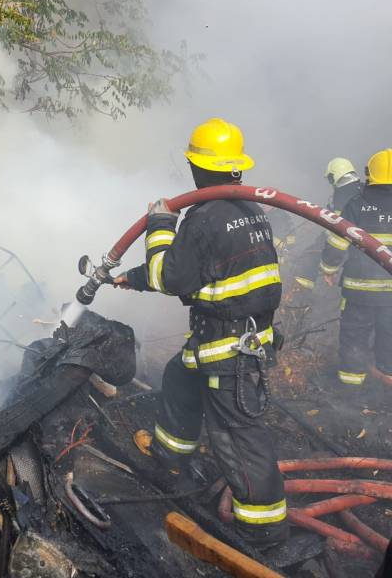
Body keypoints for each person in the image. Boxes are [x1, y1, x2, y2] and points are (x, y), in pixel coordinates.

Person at [115, 118, 288, 548]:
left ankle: (263, 527)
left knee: (236, 436)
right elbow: (199, 268)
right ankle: (172, 454)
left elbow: (172, 277)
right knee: (178, 377)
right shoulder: (249, 211)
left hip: (230, 347)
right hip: (239, 333)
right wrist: (129, 279)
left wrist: (159, 226)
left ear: (198, 168)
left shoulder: (204, 218)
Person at [319, 149, 392, 386]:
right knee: (389, 337)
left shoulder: (356, 204)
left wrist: (328, 268)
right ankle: (386, 384)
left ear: (369, 174)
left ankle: (350, 391)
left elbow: (337, 242)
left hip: (359, 292)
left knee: (354, 337)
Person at [290, 157, 363, 291]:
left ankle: (300, 295)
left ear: (333, 177)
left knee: (309, 257)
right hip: (361, 246)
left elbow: (336, 227)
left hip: (344, 243)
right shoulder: (361, 189)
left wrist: (323, 245)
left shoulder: (342, 195)